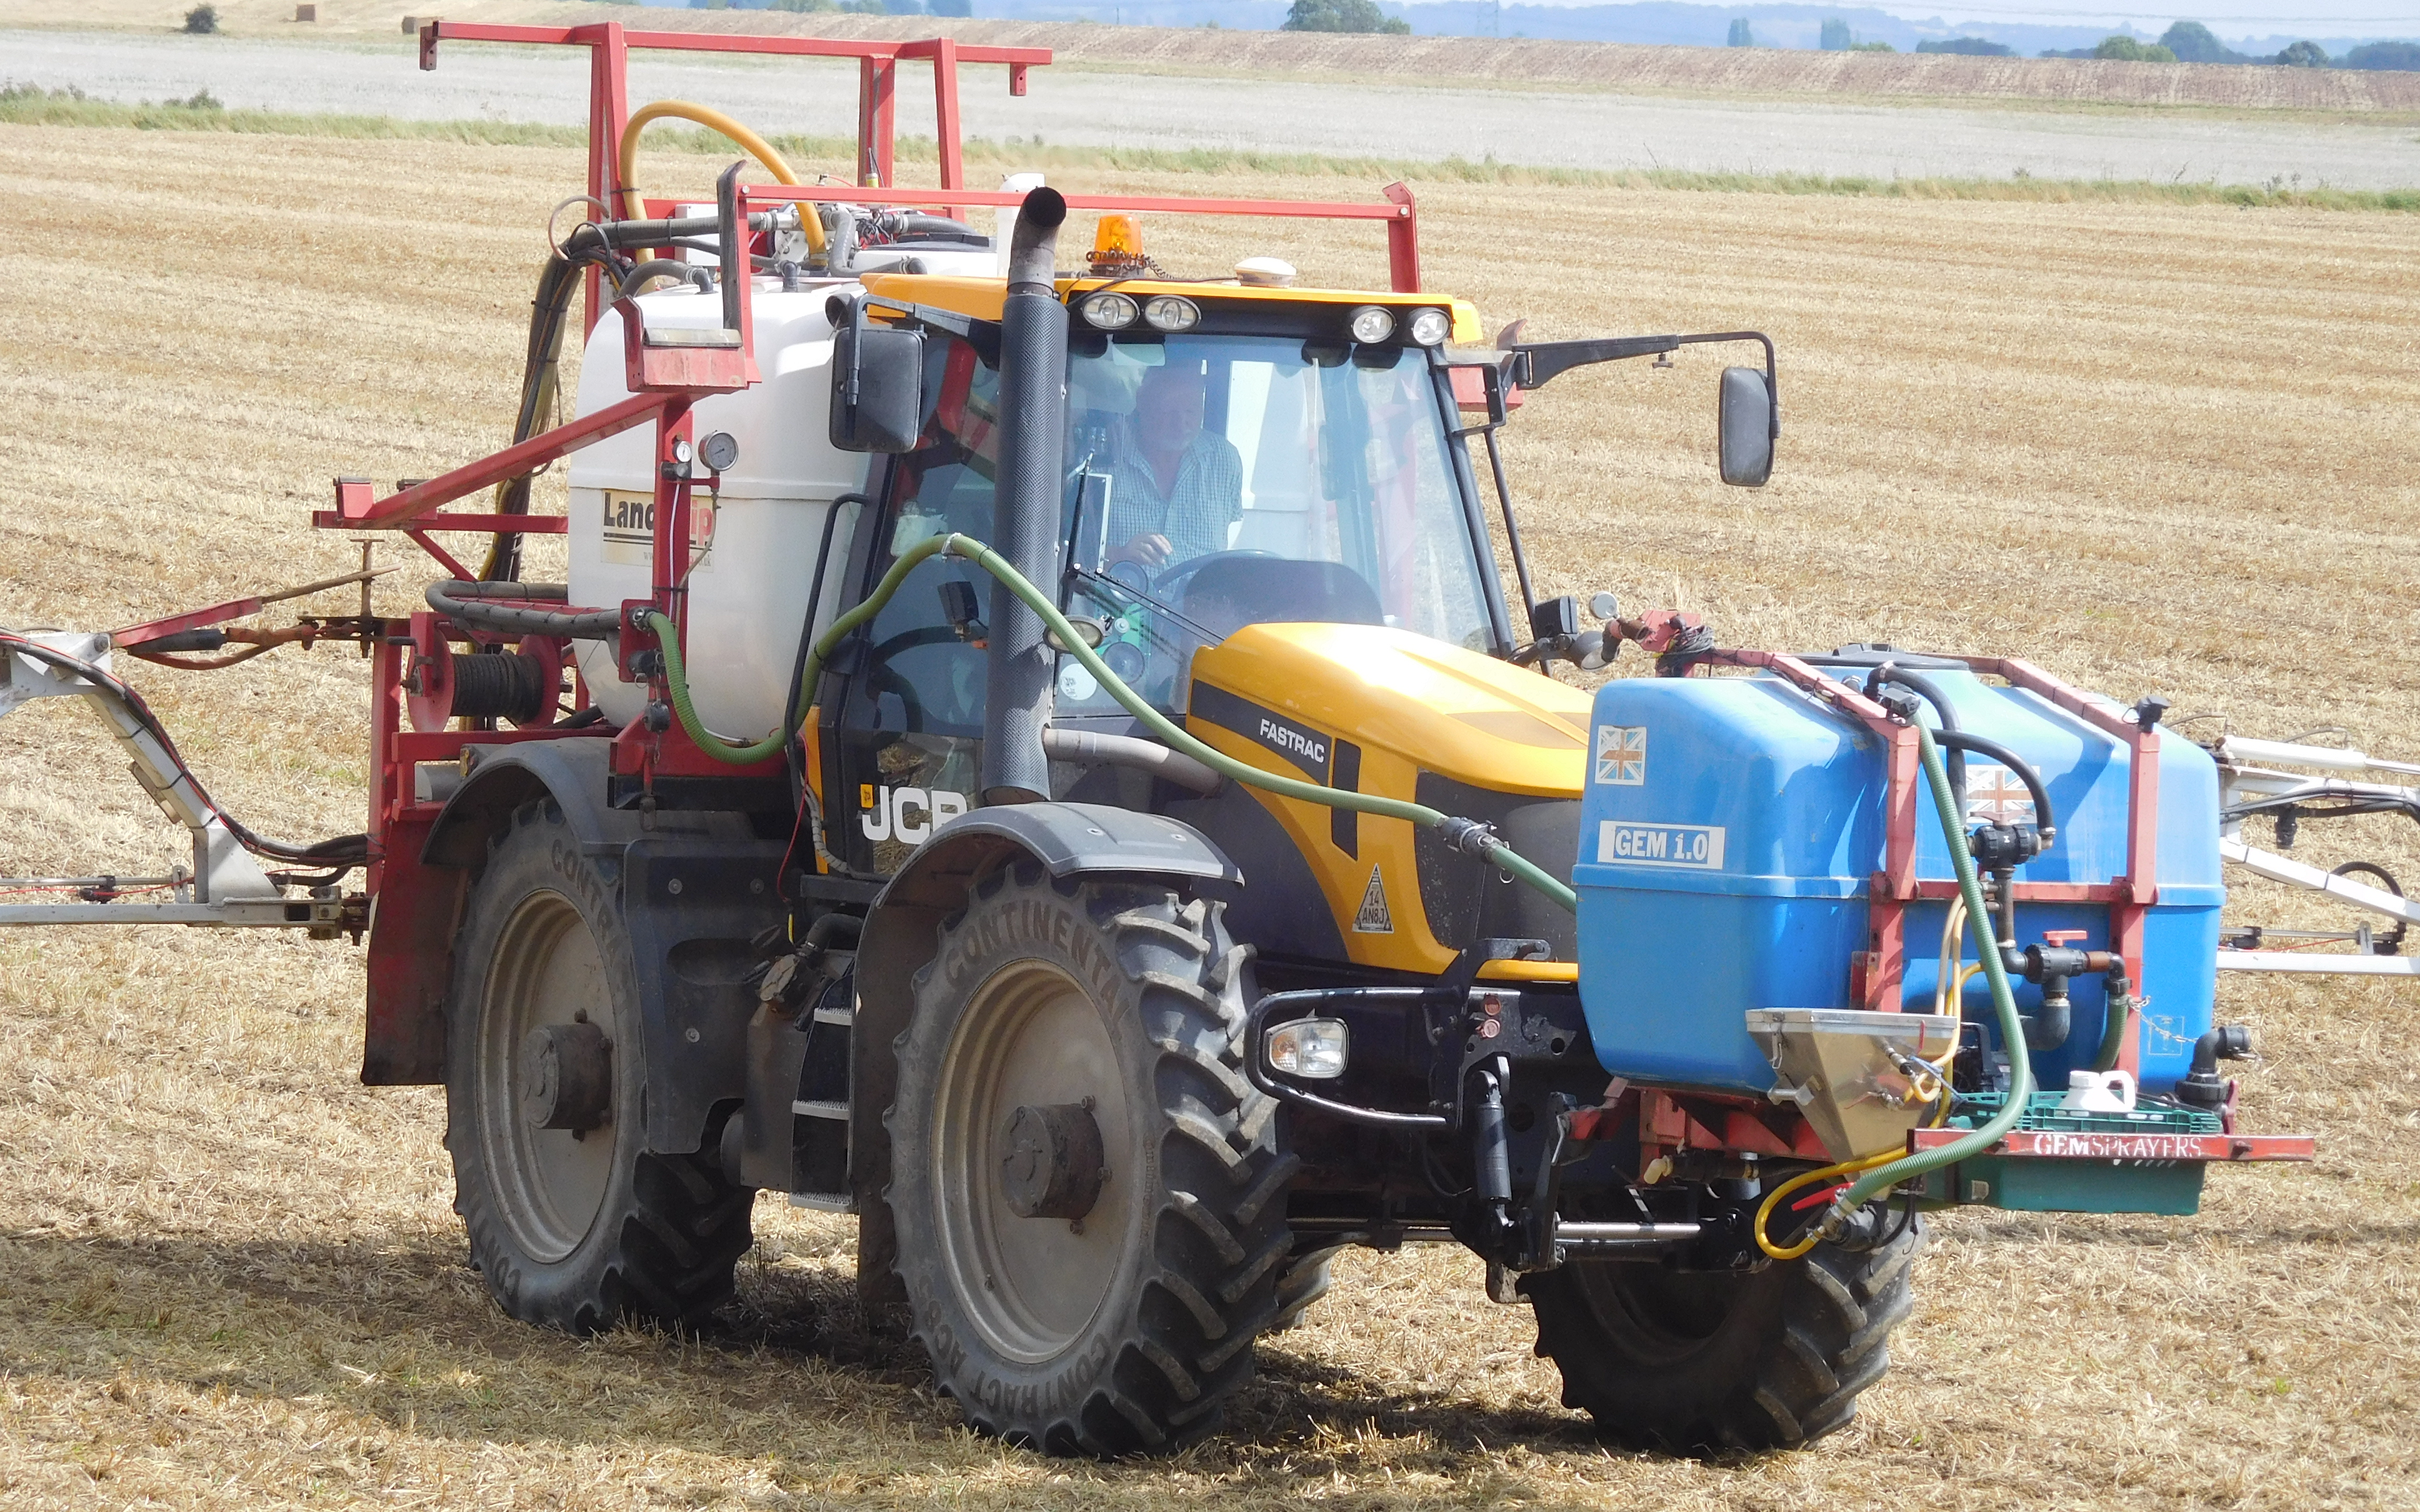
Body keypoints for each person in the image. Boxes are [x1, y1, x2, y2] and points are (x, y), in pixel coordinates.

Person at [1098, 362, 1243, 574]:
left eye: (1191, 411)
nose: (1181, 422)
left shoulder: (1224, 459)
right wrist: (1120, 555)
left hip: (1194, 605)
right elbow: (1067, 550)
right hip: (1114, 603)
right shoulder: (1105, 448)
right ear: (1142, 401)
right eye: (1169, 411)